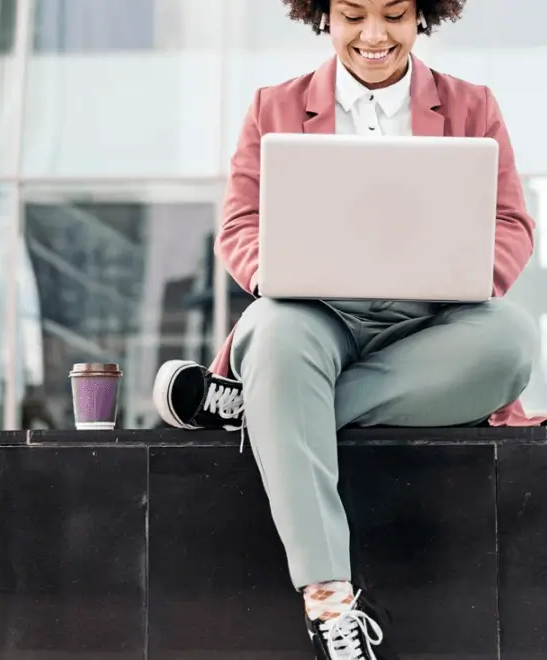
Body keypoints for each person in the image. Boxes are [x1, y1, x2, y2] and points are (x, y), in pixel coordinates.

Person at [151, 1, 546, 658]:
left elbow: (513, 224)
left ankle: (261, 408)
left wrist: (468, 275)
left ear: (423, 16)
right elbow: (239, 226)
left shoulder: (473, 105)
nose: (373, 34)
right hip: (312, 315)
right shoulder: (271, 106)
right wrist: (274, 269)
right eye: (353, 14)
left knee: (508, 342)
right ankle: (331, 603)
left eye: (393, 14)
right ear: (323, 17)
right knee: (277, 337)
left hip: (429, 328)